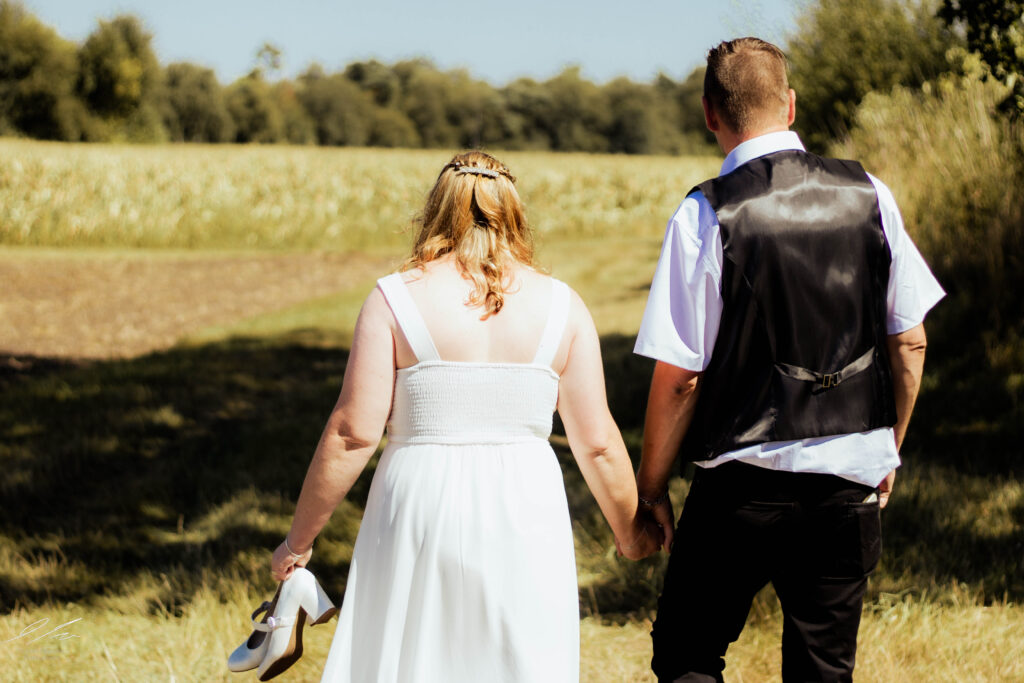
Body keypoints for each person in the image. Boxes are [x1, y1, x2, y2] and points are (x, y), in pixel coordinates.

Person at [266, 150, 662, 682]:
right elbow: (596, 443)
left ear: (435, 211)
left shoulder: (394, 299)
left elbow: (352, 433)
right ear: (514, 214)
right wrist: (630, 530)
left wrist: (299, 541)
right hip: (525, 503)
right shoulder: (564, 307)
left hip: (419, 503)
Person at [631, 38, 945, 682]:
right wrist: (887, 446)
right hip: (846, 483)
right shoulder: (871, 195)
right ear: (792, 103)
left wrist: (652, 486)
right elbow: (909, 342)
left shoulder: (705, 212)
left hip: (739, 491)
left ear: (709, 112)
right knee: (823, 671)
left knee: (688, 656)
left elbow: (682, 376)